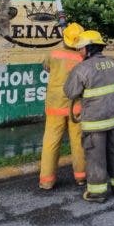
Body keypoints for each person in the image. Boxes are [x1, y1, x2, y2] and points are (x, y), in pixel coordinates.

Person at [64, 30, 114, 203]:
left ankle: (97, 192)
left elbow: (70, 93)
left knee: (95, 156)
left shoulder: (82, 68)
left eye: (80, 48)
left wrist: (72, 75)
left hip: (95, 122)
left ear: (89, 48)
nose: (79, 52)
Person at [39, 22, 86, 190]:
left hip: (55, 105)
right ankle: (81, 177)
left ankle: (47, 180)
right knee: (79, 142)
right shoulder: (83, 57)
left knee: (51, 142)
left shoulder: (52, 54)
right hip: (76, 106)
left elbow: (46, 67)